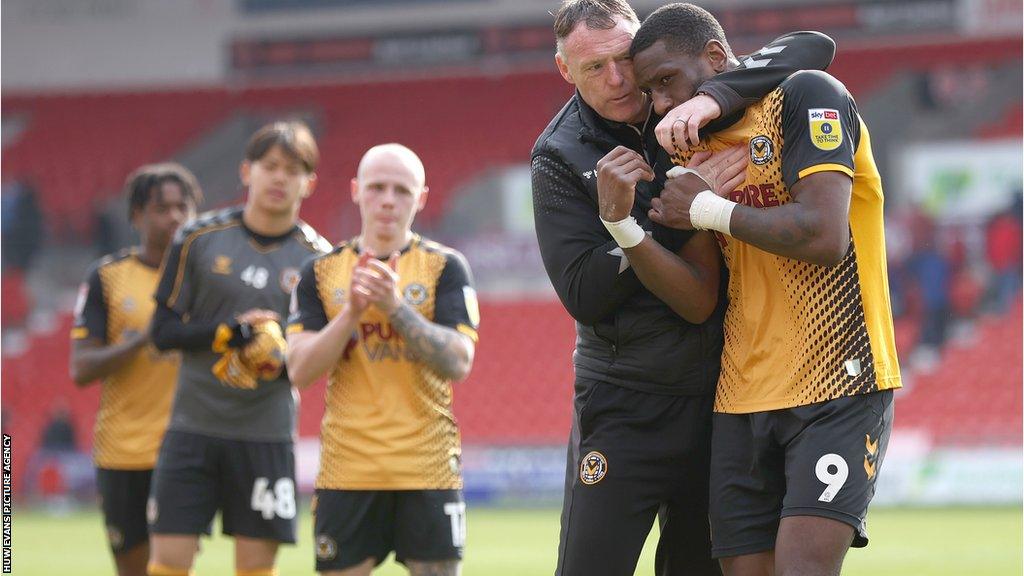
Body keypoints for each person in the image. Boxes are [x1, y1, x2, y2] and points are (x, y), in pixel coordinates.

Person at [531, 1, 838, 574]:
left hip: (721, 402)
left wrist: (712, 98)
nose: (620, 80)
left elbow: (812, 46)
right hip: (624, 403)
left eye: (625, 59)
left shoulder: (685, 95)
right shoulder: (557, 155)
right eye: (594, 68)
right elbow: (582, 294)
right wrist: (657, 217)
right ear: (564, 70)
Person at [630, 4, 902, 575]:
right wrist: (655, 222)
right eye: (649, 91)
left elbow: (824, 236)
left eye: (666, 82)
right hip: (740, 397)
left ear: (713, 58)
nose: (659, 103)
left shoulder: (806, 97)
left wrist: (705, 207)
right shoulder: (690, 150)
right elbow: (701, 281)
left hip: (838, 381)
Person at [147, 121, 332, 576]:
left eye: (292, 169)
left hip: (266, 435)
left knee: (254, 571)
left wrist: (275, 354)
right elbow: (162, 331)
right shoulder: (197, 238)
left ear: (309, 182)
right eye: (269, 165)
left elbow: (320, 357)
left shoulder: (320, 260)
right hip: (192, 429)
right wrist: (229, 334)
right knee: (168, 565)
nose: (279, 178)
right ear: (246, 171)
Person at [286, 143, 479, 576]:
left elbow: (458, 362)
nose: (388, 200)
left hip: (427, 467)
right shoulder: (319, 271)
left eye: (401, 190)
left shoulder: (445, 267)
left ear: (421, 197)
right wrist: (352, 312)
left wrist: (395, 308)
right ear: (355, 191)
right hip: (348, 468)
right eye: (376, 188)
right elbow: (299, 370)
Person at [70, 163, 202, 576]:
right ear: (137, 217)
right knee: (132, 570)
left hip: (186, 451)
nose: (176, 217)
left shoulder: (206, 279)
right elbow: (81, 368)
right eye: (162, 208)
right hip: (124, 450)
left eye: (184, 207)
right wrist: (144, 337)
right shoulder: (107, 278)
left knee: (172, 567)